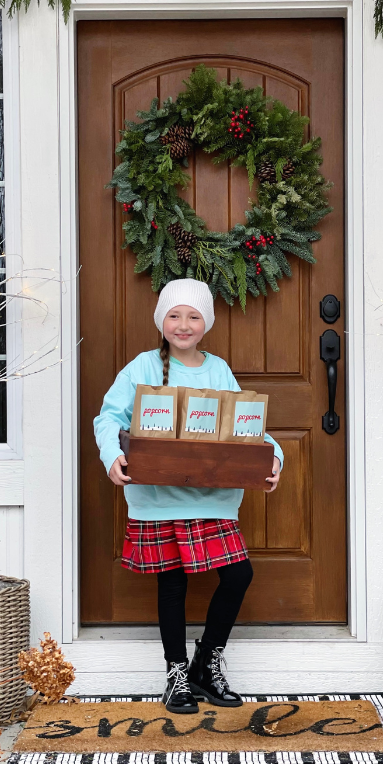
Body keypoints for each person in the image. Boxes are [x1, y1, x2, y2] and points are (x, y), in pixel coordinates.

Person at [94, 278, 283, 714]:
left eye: (193, 316)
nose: (183, 324)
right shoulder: (141, 368)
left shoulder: (218, 371)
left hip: (211, 498)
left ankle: (207, 661)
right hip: (159, 499)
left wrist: (273, 457)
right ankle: (175, 673)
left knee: (238, 576)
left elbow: (246, 424)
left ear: (207, 323)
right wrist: (111, 456)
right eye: (174, 315)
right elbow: (108, 417)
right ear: (161, 320)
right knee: (172, 584)